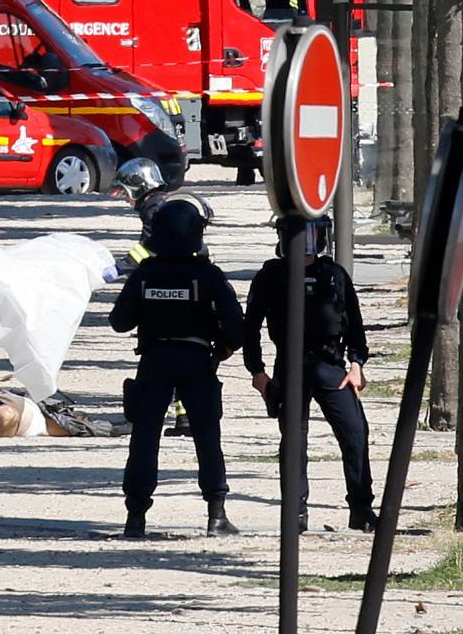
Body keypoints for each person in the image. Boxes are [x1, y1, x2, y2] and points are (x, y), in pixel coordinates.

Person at [109, 197, 246, 538]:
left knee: (144, 439)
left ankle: (135, 517)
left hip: (154, 360)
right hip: (196, 359)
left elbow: (119, 322)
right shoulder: (208, 275)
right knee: (207, 437)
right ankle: (216, 515)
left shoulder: (144, 275)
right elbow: (236, 328)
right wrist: (223, 345)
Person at [243, 217, 379, 534]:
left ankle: (361, 509)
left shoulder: (333, 274)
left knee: (355, 432)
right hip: (290, 366)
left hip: (332, 367)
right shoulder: (271, 275)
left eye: (311, 235)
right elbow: (250, 327)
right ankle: (296, 513)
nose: (305, 243)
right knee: (294, 442)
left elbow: (355, 324)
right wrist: (257, 372)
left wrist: (357, 364)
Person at [107, 157, 198, 437]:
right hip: (186, 287)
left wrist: (119, 268)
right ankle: (185, 418)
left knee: (159, 353)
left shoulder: (154, 209)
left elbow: (148, 247)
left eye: (126, 192)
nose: (126, 199)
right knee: (185, 357)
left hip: (168, 287)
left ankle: (147, 414)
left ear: (139, 186)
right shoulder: (162, 205)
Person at [0, 385, 127, 437]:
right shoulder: (62, 420)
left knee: (6, 415)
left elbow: (103, 428)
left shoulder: (65, 423)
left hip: (24, 417)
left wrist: (133, 426)